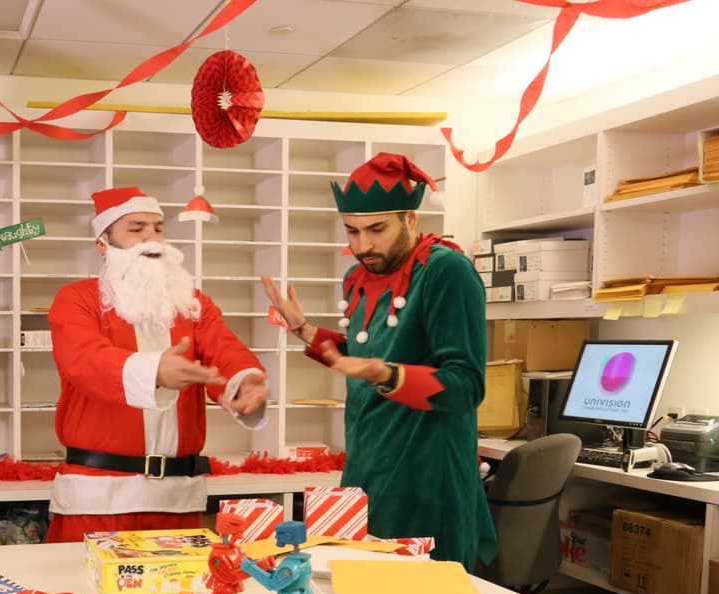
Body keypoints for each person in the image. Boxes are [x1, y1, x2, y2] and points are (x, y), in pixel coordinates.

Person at [261, 153, 497, 571]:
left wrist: (385, 374)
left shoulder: (445, 272)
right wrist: (306, 331)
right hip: (367, 474)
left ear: (410, 218)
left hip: (427, 482)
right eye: (351, 231)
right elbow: (365, 355)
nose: (361, 245)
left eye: (376, 229)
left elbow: (466, 386)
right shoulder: (358, 278)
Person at [46, 186, 269, 543]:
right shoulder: (77, 300)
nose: (152, 237)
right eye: (136, 229)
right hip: (97, 500)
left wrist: (244, 383)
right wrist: (154, 371)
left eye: (158, 228)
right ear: (104, 243)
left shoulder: (192, 304)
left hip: (177, 502)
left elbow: (224, 349)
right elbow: (83, 360)